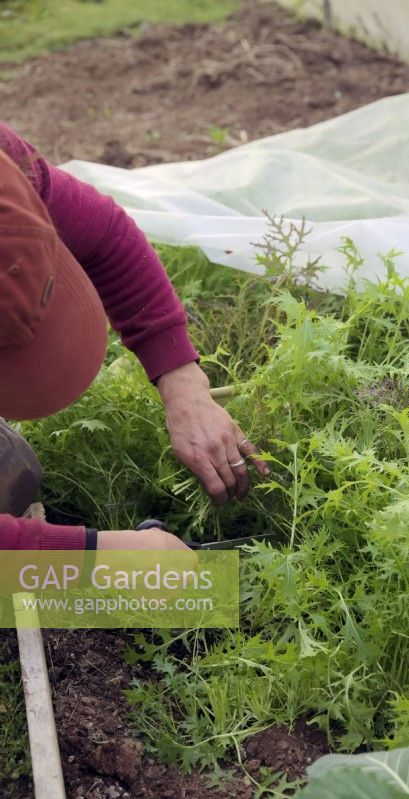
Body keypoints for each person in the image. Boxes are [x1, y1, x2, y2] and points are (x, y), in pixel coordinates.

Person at [0, 123, 269, 551]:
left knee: (10, 470)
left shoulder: (7, 168)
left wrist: (184, 383)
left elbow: (106, 235)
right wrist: (99, 558)